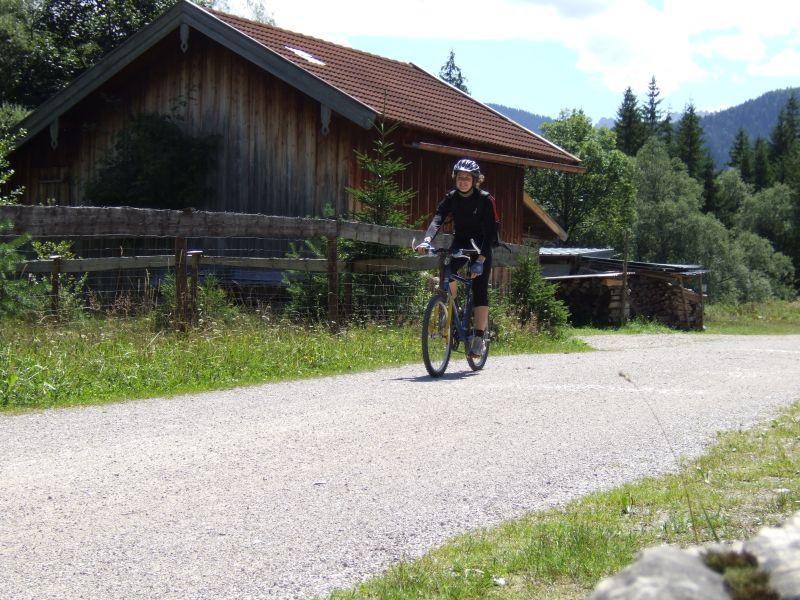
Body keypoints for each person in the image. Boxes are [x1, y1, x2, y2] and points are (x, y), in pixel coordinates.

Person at [417, 158, 496, 358]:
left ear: (475, 180)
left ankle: (479, 338)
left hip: (481, 247)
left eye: (467, 178)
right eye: (460, 177)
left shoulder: (485, 199)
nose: (463, 181)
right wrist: (427, 240)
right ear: (455, 178)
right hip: (460, 243)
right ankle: (452, 305)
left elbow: (491, 233)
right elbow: (438, 218)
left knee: (479, 288)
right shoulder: (451, 197)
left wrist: (481, 261)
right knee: (447, 270)